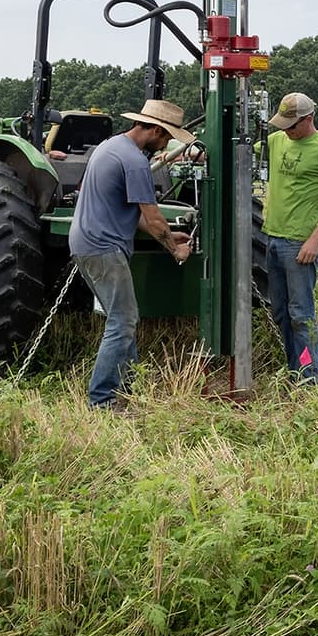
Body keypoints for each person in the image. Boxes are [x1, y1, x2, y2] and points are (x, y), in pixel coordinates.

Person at [67, 98, 195, 410]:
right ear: (153, 129)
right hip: (104, 248)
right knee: (123, 321)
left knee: (122, 318)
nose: (165, 143)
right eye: (166, 136)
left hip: (85, 243)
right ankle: (102, 399)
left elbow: (131, 211)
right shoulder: (135, 161)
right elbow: (151, 216)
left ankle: (127, 389)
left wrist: (165, 234)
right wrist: (175, 248)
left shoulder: (110, 146)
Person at [260, 91, 318, 383]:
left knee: (301, 315)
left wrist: (315, 239)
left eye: (291, 125)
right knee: (281, 313)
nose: (286, 130)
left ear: (309, 119)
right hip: (272, 239)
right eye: (282, 125)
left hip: (299, 245)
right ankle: (294, 368)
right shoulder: (277, 140)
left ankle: (309, 377)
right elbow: (242, 152)